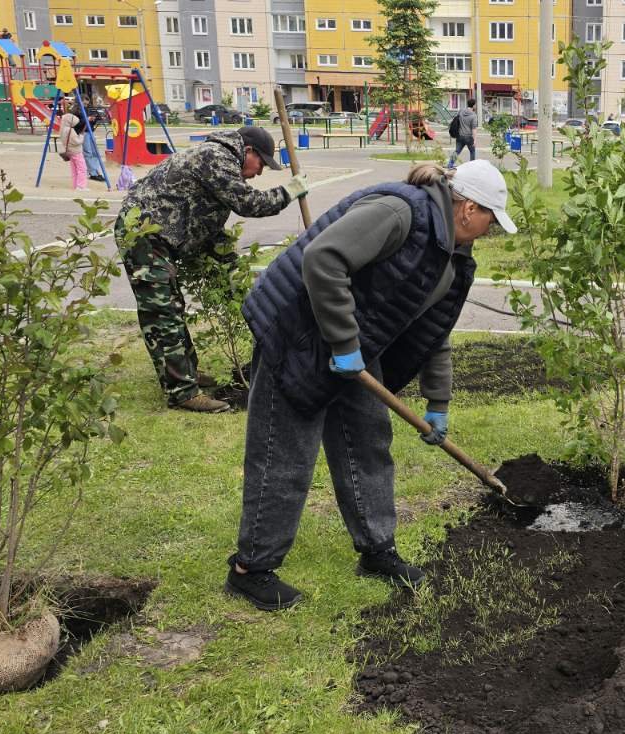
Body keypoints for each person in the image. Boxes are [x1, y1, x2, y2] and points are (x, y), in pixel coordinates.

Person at [225, 160, 517, 610]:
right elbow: (323, 258)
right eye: (490, 220)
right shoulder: (401, 212)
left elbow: (433, 332)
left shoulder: (452, 258)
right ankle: (252, 568)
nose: (489, 230)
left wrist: (438, 402)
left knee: (368, 442)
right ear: (468, 208)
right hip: (299, 332)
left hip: (355, 346)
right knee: (285, 453)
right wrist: (344, 342)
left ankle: (377, 550)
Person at [116, 126, 312, 413]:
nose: (259, 172)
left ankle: (186, 373)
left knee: (175, 306)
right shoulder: (215, 157)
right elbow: (248, 203)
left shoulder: (221, 159)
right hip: (143, 234)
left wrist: (234, 272)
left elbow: (208, 224)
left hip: (164, 234)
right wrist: (288, 191)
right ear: (248, 151)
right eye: (261, 164)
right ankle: (182, 392)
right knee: (162, 312)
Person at [56, 97, 87, 190]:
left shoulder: (62, 129)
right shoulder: (70, 130)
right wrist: (81, 135)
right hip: (76, 151)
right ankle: (81, 186)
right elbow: (77, 141)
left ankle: (75, 185)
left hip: (69, 151)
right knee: (82, 168)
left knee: (74, 169)